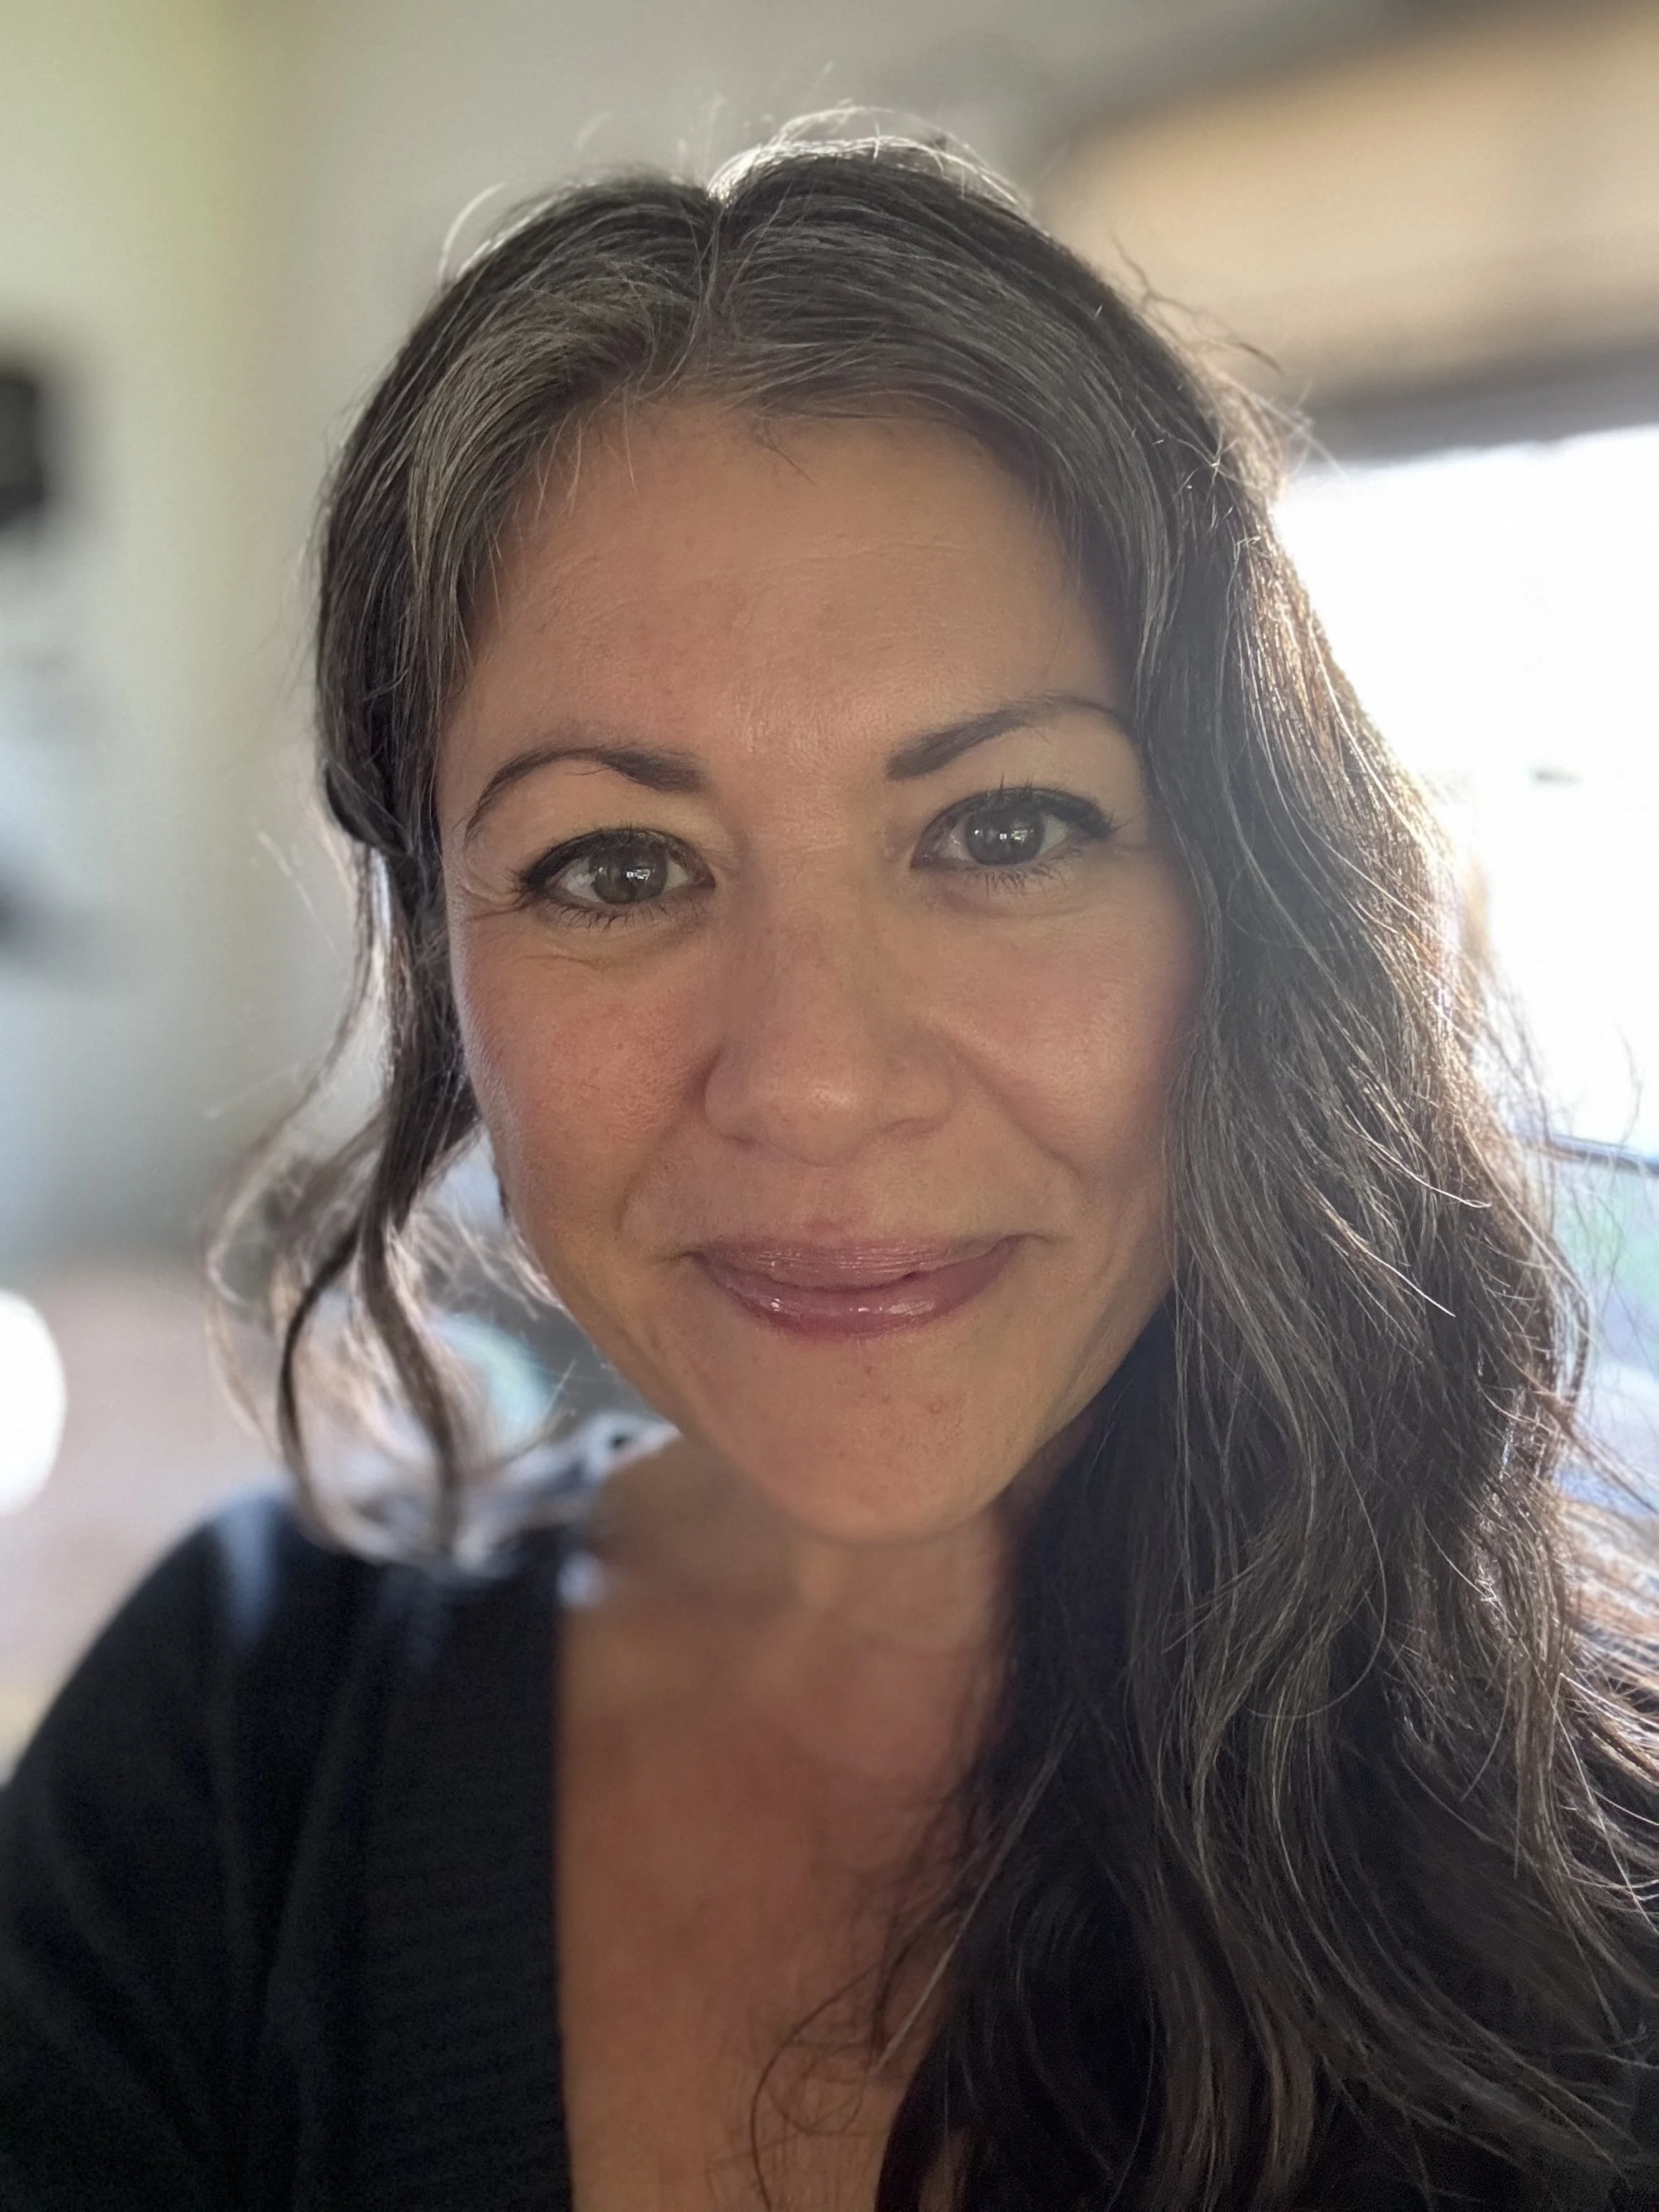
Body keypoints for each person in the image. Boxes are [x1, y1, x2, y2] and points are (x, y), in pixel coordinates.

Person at [2, 125, 1657, 2212]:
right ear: (445, 976)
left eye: (1003, 830)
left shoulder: (1595, 1873)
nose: (809, 1085)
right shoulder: (236, 1747)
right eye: (617, 867)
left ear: (1250, 908)